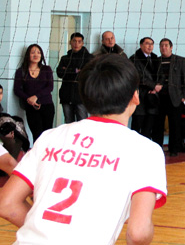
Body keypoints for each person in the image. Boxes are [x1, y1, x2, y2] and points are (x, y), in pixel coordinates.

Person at [0, 54, 167, 244]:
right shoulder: (146, 150)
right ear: (135, 96)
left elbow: (6, 203)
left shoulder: (50, 137)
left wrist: (42, 231)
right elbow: (138, 233)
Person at [152, 38, 185, 157]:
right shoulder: (156, 61)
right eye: (161, 46)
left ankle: (174, 149)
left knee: (175, 125)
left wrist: (183, 96)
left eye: (166, 45)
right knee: (158, 126)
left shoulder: (180, 60)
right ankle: (157, 150)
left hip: (175, 98)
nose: (163, 47)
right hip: (159, 98)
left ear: (171, 47)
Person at [13, 44, 54, 142]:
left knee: (47, 134)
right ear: (28, 55)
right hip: (31, 107)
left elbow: (50, 87)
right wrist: (28, 99)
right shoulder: (21, 71)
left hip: (47, 106)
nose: (36, 55)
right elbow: (17, 90)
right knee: (37, 135)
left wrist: (36, 96)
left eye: (38, 52)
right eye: (33, 52)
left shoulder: (46, 69)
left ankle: (46, 152)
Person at [56, 32, 93, 124]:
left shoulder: (89, 58)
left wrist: (67, 70)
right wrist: (76, 70)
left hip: (81, 96)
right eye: (74, 41)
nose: (76, 44)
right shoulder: (65, 58)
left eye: (79, 41)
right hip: (66, 95)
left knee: (82, 123)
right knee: (68, 123)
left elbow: (88, 74)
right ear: (70, 42)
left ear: (82, 43)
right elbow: (60, 73)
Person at [129, 37, 160, 138]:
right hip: (140, 97)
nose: (150, 46)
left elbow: (161, 75)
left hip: (153, 98)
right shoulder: (134, 59)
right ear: (141, 45)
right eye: (147, 43)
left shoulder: (155, 58)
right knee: (137, 127)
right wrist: (153, 86)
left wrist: (157, 87)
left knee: (148, 128)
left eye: (152, 44)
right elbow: (137, 77)